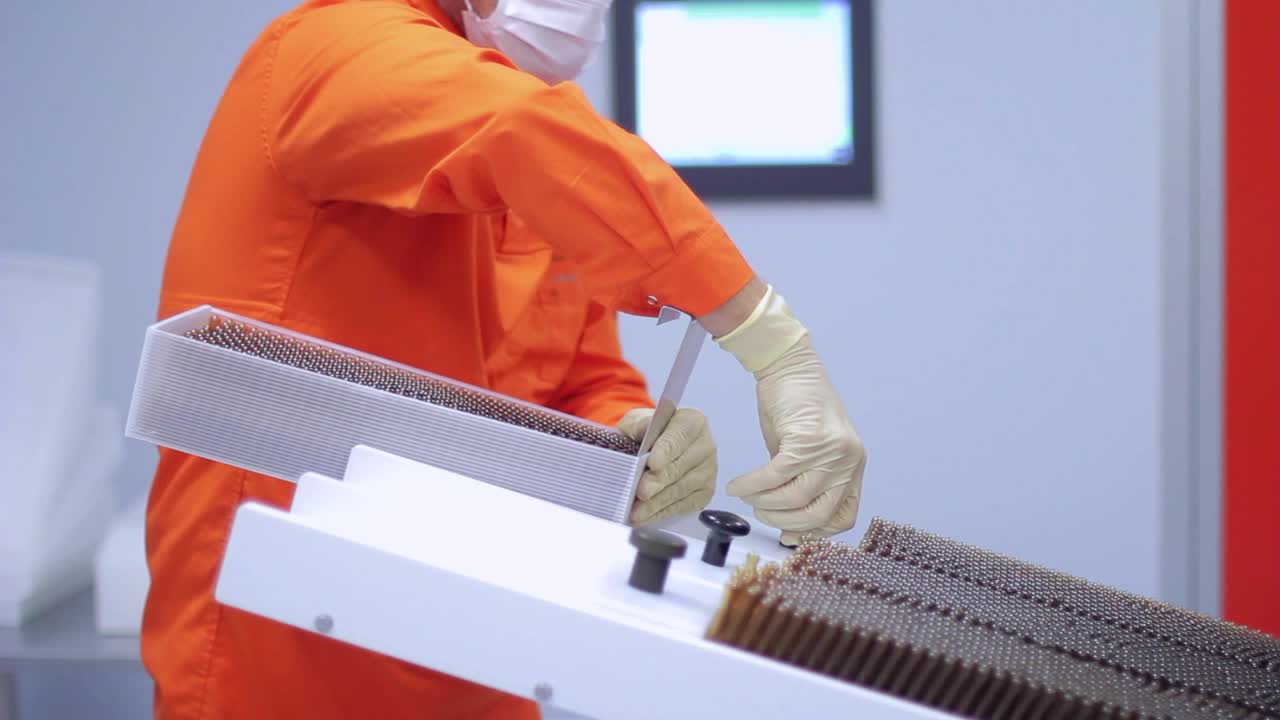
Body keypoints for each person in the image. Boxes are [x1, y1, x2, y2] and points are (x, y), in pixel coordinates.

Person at [143, 0, 866, 717]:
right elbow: (526, 133)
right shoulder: (334, 47)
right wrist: (774, 346)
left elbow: (579, 378)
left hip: (485, 634)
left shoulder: (533, 167)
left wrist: (634, 441)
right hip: (285, 643)